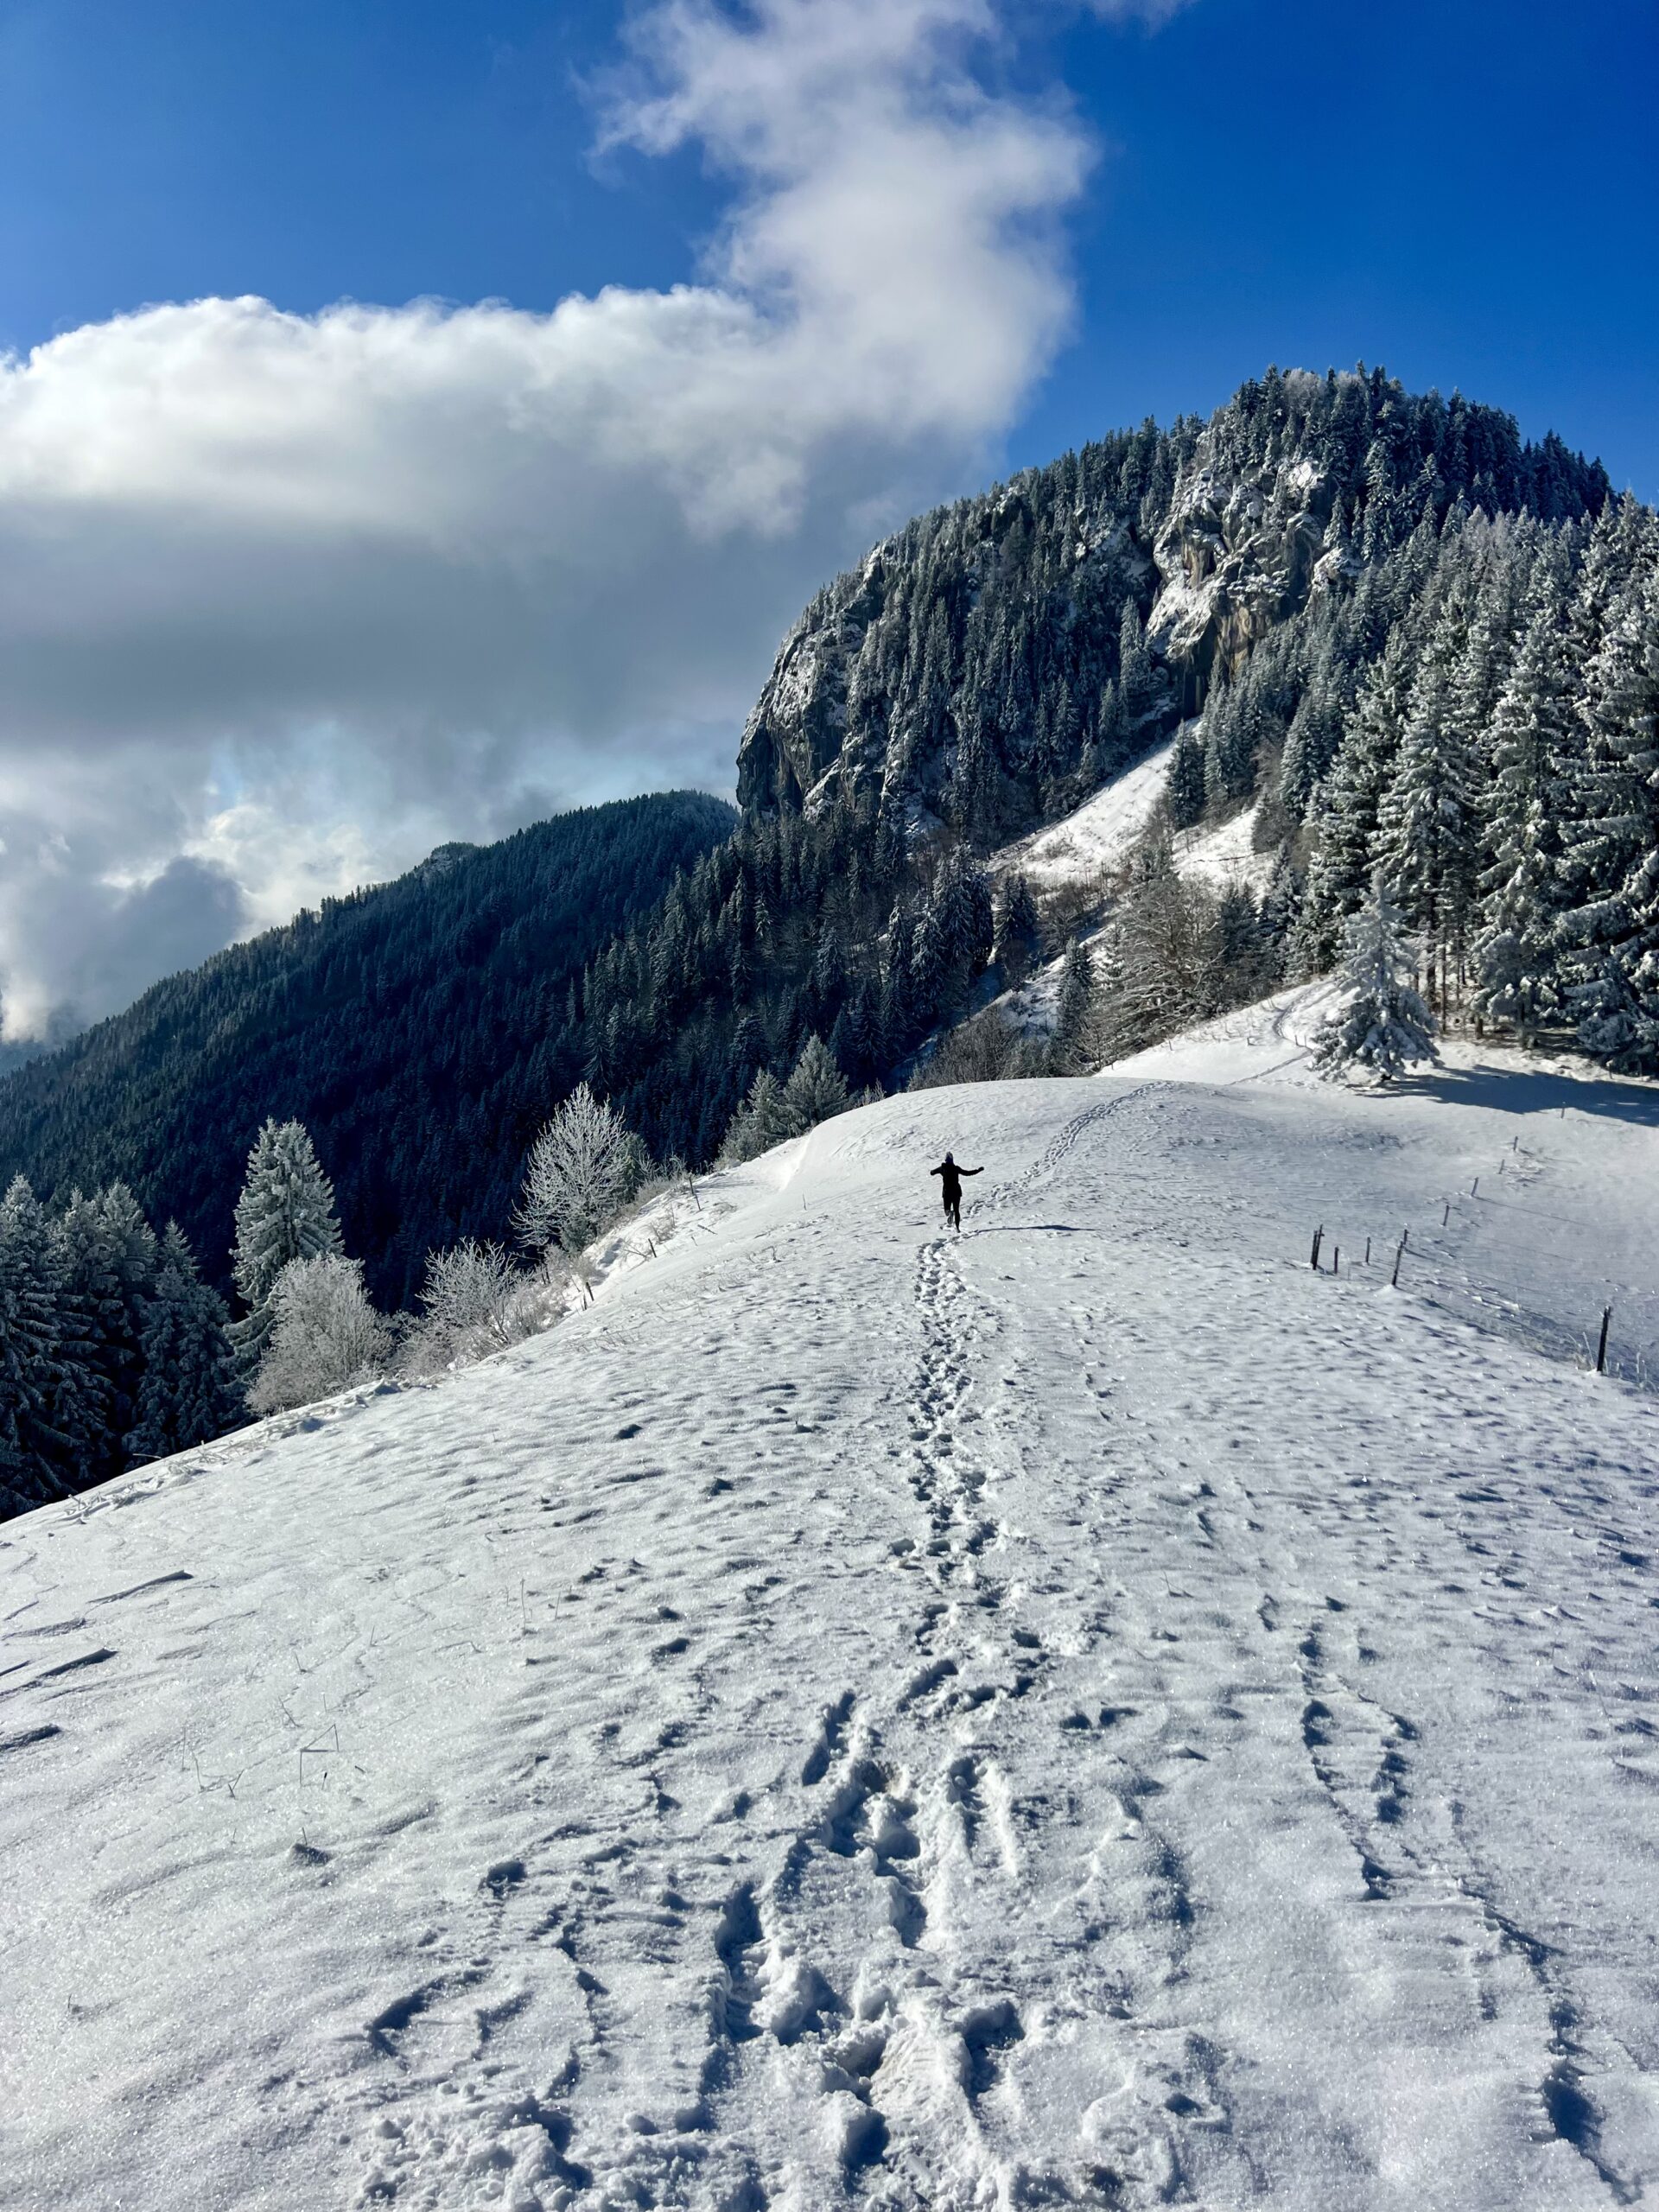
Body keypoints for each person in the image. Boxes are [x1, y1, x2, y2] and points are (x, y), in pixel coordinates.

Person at [929, 1150, 983, 1233]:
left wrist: (932, 1172)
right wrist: (978, 1170)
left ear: (946, 1160)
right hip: (956, 1192)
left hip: (947, 1192)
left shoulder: (942, 1168)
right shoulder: (956, 1168)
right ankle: (957, 1228)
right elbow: (967, 1173)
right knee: (956, 1210)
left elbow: (932, 1172)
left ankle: (949, 1213)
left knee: (946, 1211)